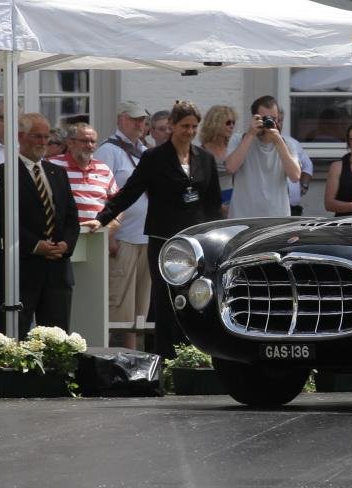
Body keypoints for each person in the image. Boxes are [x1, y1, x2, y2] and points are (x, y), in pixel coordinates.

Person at [87, 101, 223, 358]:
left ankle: (194, 357)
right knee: (165, 302)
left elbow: (213, 204)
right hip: (164, 241)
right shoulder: (154, 158)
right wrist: (103, 218)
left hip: (196, 244)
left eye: (194, 126)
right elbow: (129, 192)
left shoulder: (205, 159)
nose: (190, 131)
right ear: (172, 125)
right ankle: (167, 359)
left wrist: (216, 239)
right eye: (184, 126)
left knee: (197, 299)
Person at [0, 112, 80, 332]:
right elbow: (1, 219)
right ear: (21, 137)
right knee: (16, 337)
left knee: (57, 339)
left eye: (46, 137)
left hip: (57, 271)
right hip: (22, 271)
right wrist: (35, 245)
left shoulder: (57, 173)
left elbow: (71, 217)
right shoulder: (2, 174)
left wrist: (66, 244)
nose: (43, 142)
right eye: (37, 136)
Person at [97, 100, 153, 345]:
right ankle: (115, 360)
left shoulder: (145, 150)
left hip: (145, 237)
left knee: (140, 312)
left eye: (142, 119)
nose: (139, 124)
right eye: (134, 119)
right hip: (122, 239)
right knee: (119, 308)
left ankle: (136, 359)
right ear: (121, 119)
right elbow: (101, 196)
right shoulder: (108, 151)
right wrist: (109, 235)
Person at [227, 95, 300, 219]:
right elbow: (231, 168)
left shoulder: (287, 144)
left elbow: (295, 176)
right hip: (242, 217)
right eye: (264, 118)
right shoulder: (239, 139)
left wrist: (278, 142)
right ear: (254, 118)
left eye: (273, 118)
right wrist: (250, 134)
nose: (269, 122)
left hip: (277, 217)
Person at [50, 122, 117, 225]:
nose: (89, 145)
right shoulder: (52, 165)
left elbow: (118, 202)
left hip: (96, 232)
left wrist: (115, 223)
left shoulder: (104, 169)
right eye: (84, 141)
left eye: (93, 141)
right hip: (62, 233)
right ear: (70, 143)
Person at [199, 104, 236, 212]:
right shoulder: (201, 152)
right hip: (213, 202)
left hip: (234, 200)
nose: (232, 126)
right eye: (228, 122)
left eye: (233, 122)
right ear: (215, 123)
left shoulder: (234, 149)